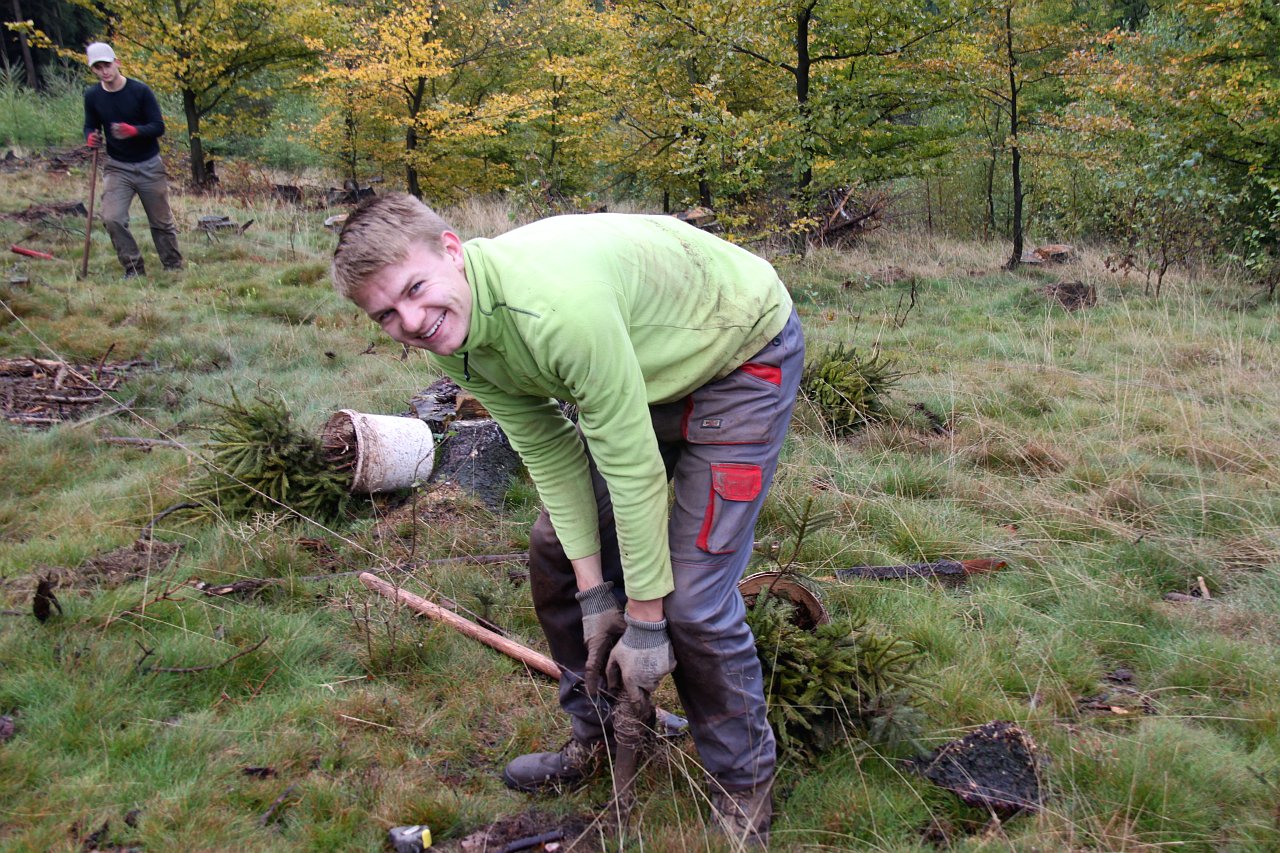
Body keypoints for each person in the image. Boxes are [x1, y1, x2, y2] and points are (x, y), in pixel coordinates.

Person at [331, 194, 803, 847]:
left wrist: (646, 623)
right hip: (640, 361)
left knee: (692, 601)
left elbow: (632, 470)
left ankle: (743, 784)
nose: (412, 320)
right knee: (556, 550)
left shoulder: (554, 308)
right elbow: (548, 448)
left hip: (738, 353)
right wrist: (594, 598)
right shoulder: (451, 334)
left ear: (451, 250)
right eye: (387, 314)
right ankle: (603, 733)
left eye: (415, 289)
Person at [82, 42, 183, 278]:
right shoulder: (93, 96)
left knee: (161, 222)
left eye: (107, 65)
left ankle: (172, 265)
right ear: (93, 70)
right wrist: (90, 137)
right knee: (112, 218)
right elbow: (90, 125)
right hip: (117, 167)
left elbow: (158, 127)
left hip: (149, 164)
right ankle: (134, 268)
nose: (104, 71)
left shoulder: (140, 91)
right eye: (98, 67)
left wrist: (134, 131)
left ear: (117, 62)